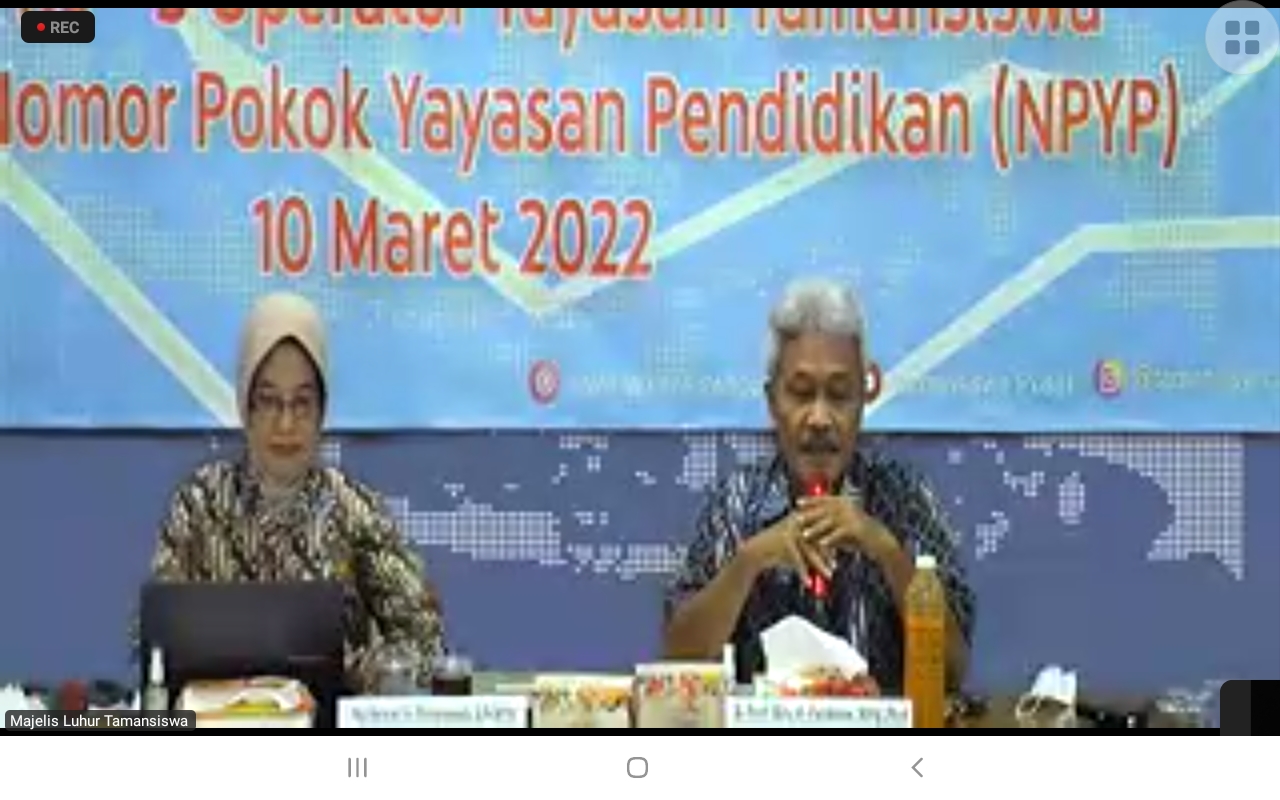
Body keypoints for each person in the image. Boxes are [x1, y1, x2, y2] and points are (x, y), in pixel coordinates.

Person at [663, 278, 975, 693]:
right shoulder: (736, 503)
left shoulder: (904, 497)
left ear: (864, 400)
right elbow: (678, 664)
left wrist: (884, 548)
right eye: (801, 394)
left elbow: (953, 670)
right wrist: (748, 562)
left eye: (840, 395)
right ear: (772, 401)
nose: (820, 419)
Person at [142, 292, 444, 692]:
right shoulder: (199, 505)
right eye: (269, 401)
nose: (286, 424)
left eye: (302, 403)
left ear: (322, 413)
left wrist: (367, 672)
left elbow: (426, 643)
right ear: (246, 408)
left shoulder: (355, 510)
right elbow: (154, 645)